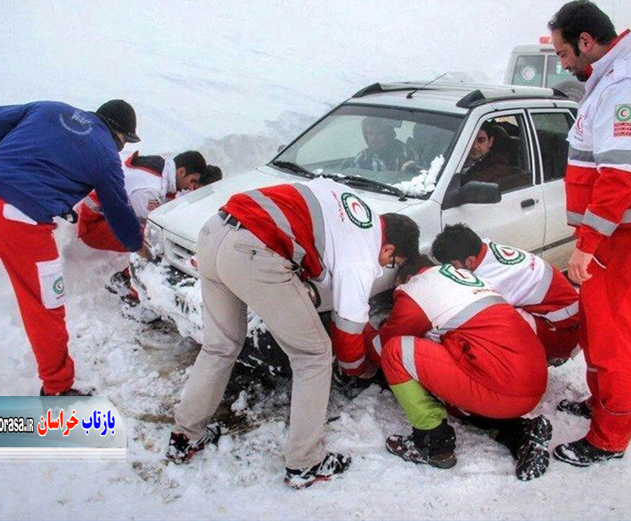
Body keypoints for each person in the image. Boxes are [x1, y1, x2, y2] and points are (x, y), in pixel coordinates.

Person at [166, 177, 420, 489]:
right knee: (313, 355)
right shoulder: (363, 255)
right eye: (391, 262)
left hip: (214, 231)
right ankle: (306, 462)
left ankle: (185, 435)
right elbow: (348, 330)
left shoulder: (349, 203)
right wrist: (360, 370)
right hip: (253, 249)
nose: (385, 268)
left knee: (220, 346)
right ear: (390, 247)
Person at [548, 1, 631, 466]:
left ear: (586, 42)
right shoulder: (612, 79)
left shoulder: (627, 86)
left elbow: (619, 177)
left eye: (564, 53)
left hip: (624, 240)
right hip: (613, 237)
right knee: (597, 327)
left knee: (612, 338)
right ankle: (601, 403)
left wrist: (588, 244)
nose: (562, 63)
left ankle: (611, 435)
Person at [0, 100, 145, 396]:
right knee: (45, 303)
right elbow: (118, 211)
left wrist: (35, 146)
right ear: (120, 135)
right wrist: (138, 244)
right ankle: (58, 386)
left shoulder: (50, 110)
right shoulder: (104, 154)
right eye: (124, 143)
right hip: (20, 217)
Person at [364, 255, 551, 481]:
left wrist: (361, 326)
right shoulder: (470, 281)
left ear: (409, 278)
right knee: (449, 393)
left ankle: (433, 444)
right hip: (531, 379)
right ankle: (521, 434)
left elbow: (382, 349)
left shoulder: (417, 288)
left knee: (396, 351)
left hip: (503, 387)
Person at [432, 223, 580, 365]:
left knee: (490, 322)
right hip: (569, 317)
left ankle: (538, 358)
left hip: (567, 334)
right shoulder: (485, 248)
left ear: (470, 261)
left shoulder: (493, 279)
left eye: (453, 266)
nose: (452, 270)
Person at [78, 151, 219, 254]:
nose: (190, 186)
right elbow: (151, 229)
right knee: (154, 242)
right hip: (94, 224)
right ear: (181, 172)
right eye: (192, 181)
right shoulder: (149, 188)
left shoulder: (163, 169)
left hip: (105, 215)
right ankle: (132, 283)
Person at [350, 117, 416, 172]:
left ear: (389, 134)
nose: (374, 138)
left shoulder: (406, 151)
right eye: (370, 134)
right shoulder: (362, 158)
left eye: (379, 133)